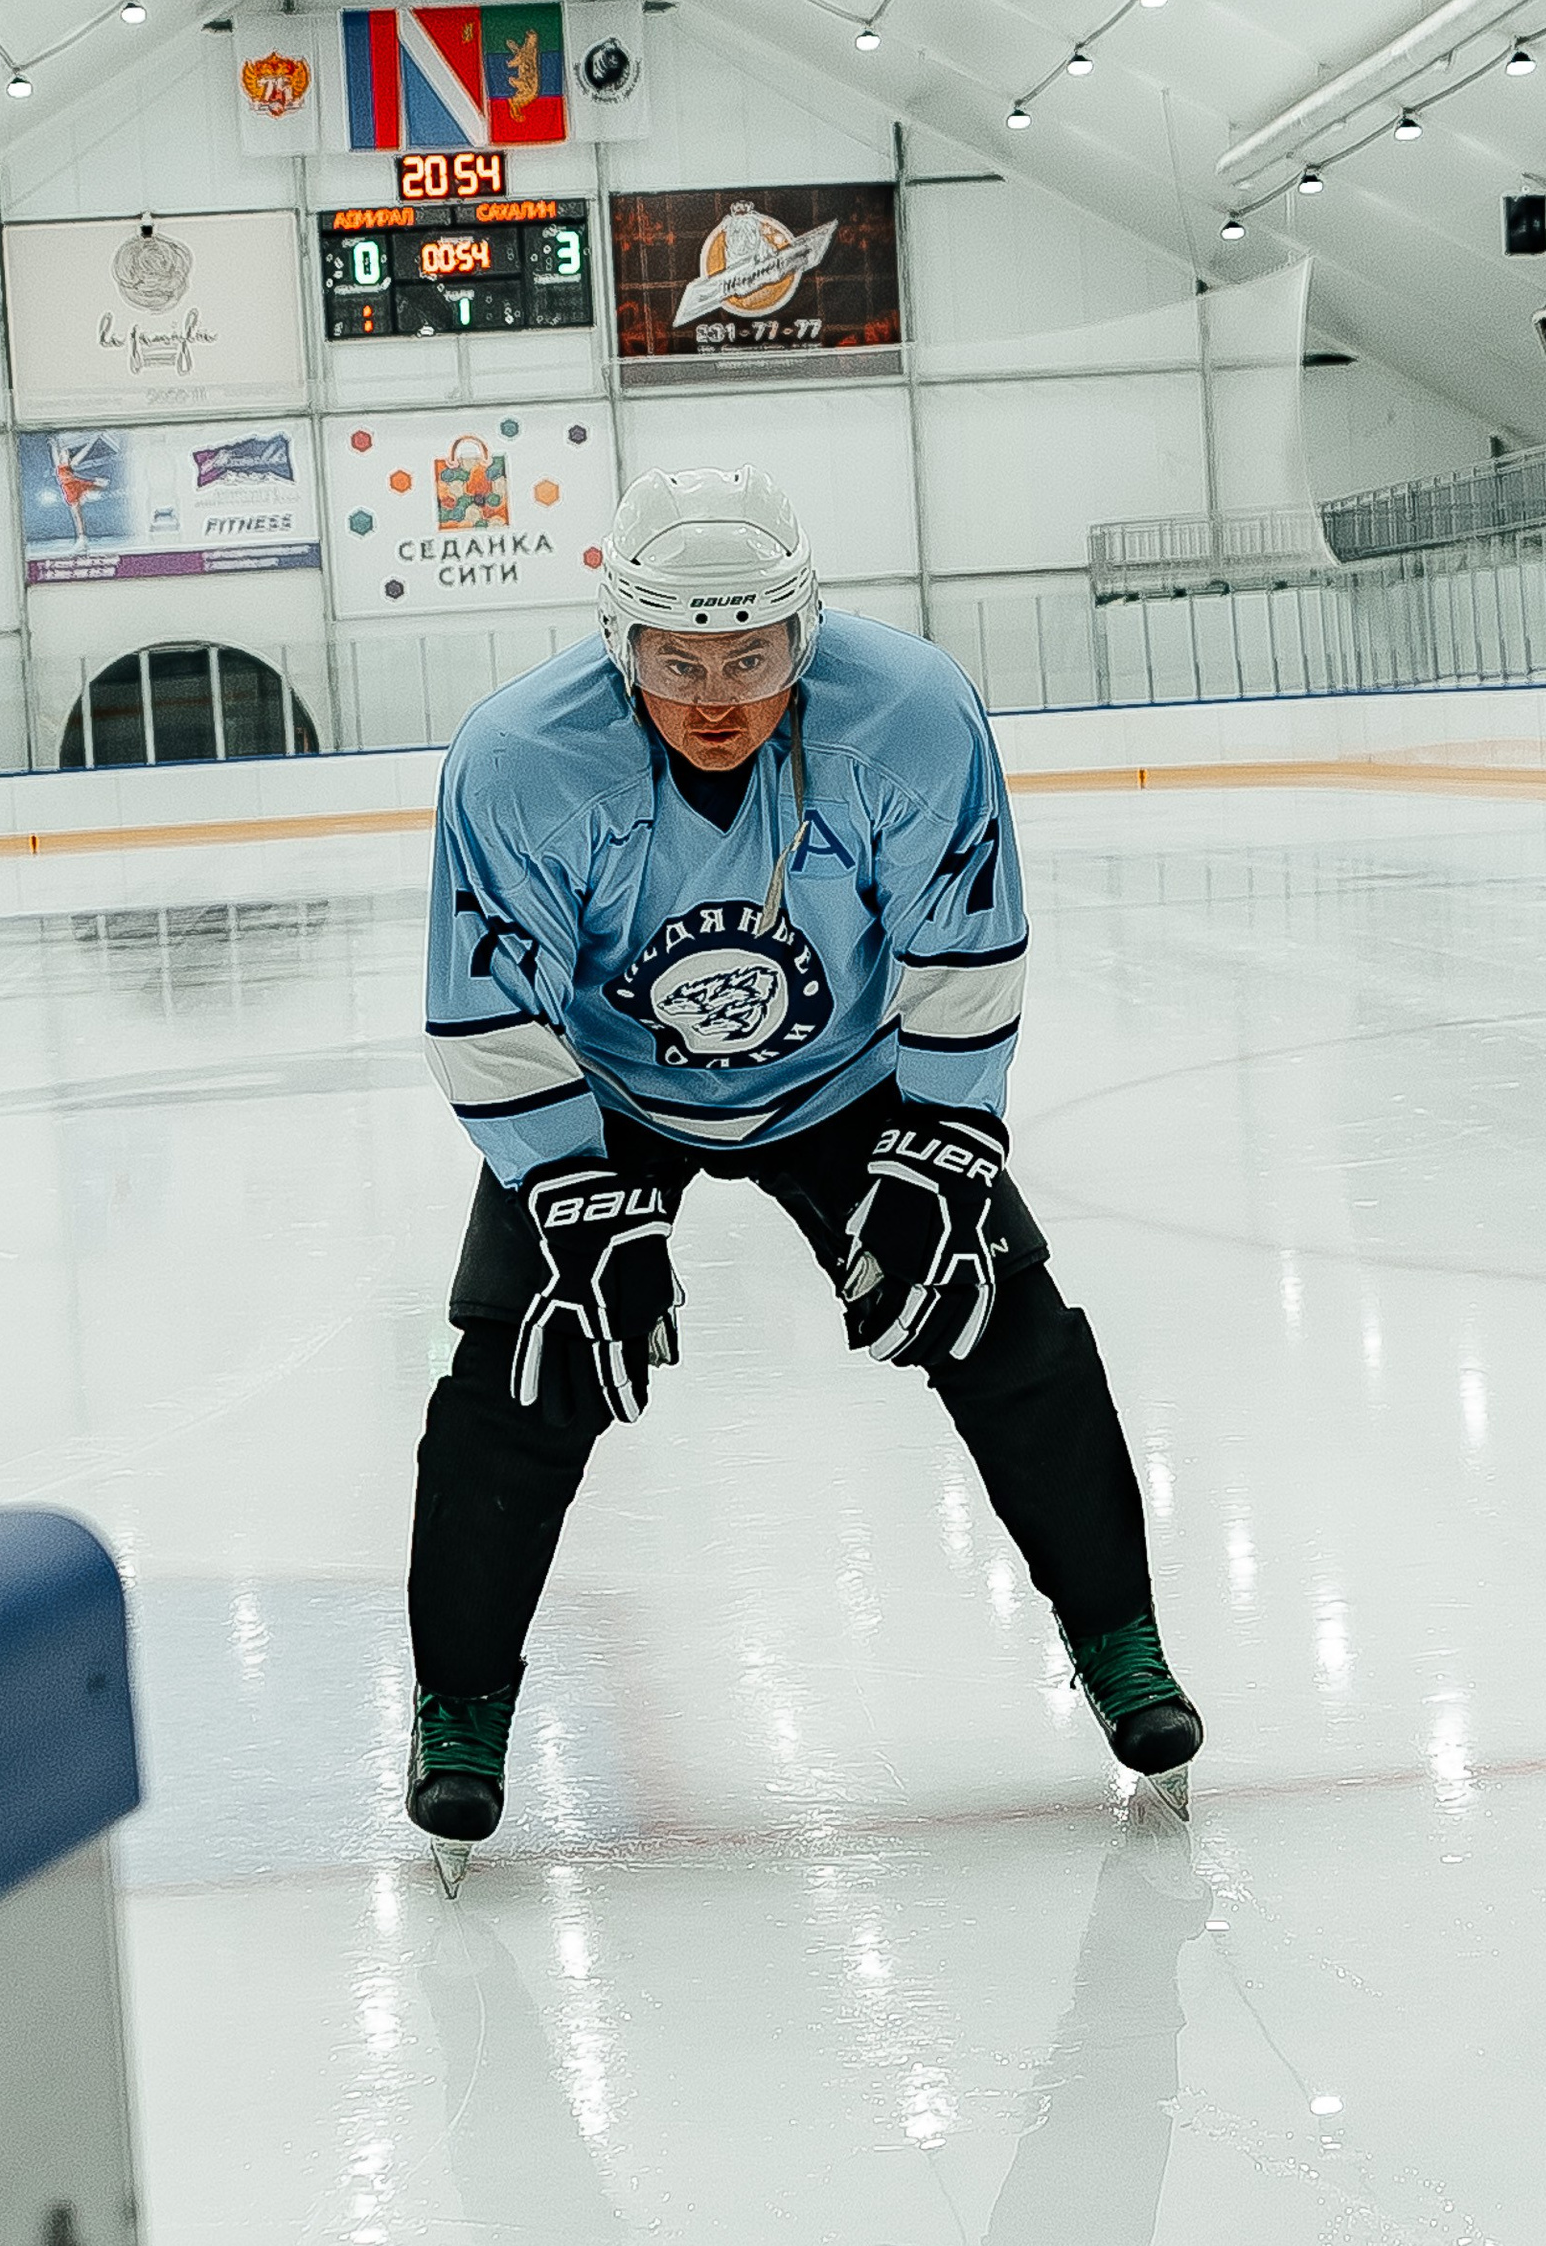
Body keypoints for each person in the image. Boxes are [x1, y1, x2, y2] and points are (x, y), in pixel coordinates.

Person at [404, 465, 1200, 1868]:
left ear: (805, 636)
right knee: (528, 1355)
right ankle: (458, 1706)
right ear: (620, 642)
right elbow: (487, 1011)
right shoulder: (520, 759)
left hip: (849, 1077)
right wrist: (572, 1198)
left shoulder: (911, 716)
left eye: (752, 660)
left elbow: (965, 949)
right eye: (678, 662)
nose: (716, 699)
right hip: (608, 1094)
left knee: (1001, 1317)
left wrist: (945, 1146)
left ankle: (1122, 1644)